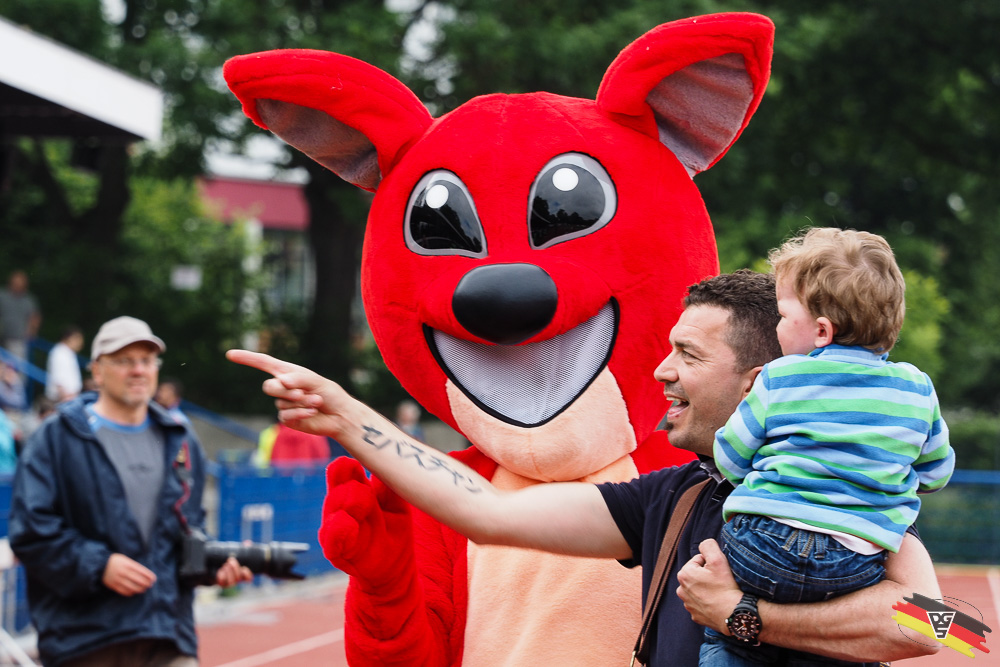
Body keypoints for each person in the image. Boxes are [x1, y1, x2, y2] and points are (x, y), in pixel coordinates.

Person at [228, 270, 942, 666]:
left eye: (689, 355)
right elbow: (486, 511)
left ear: (761, 384)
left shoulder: (845, 504)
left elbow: (955, 629)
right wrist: (346, 415)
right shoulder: (672, 497)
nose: (661, 371)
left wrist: (745, 618)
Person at [704, 229, 955, 665]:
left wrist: (742, 614)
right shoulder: (915, 389)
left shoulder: (779, 377)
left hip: (757, 546)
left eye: (782, 315)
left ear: (822, 330)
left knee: (723, 639)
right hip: (853, 560)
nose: (778, 326)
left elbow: (941, 630)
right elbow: (936, 473)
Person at [9, 315, 252, 667]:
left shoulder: (180, 440)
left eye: (147, 360)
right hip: (85, 641)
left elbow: (186, 533)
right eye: (124, 360)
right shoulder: (57, 437)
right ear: (97, 370)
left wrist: (213, 567)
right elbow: (30, 532)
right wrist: (100, 565)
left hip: (167, 637)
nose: (138, 370)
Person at [0, 270, 41, 362]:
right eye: (15, 283)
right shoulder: (2, 296)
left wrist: (32, 332)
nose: (17, 285)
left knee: (16, 366)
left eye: (20, 283)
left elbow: (35, 317)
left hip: (17, 340)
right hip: (2, 338)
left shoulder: (28, 300)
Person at [253, 421, 331, 467]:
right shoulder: (313, 434)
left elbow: (272, 457)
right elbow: (322, 458)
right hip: (308, 479)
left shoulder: (276, 433)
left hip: (282, 479)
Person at [45, 326, 85, 403]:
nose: (81, 342)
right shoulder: (59, 352)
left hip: (69, 398)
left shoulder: (67, 352)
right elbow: (58, 379)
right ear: (68, 338)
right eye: (77, 338)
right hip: (62, 399)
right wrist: (65, 398)